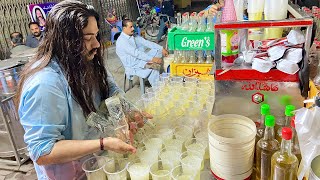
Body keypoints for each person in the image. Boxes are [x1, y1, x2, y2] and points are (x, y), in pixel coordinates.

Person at [16, 1, 148, 179]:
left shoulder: (85, 61)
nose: (96, 44)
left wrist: (129, 111)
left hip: (96, 165)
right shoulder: (45, 84)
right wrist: (103, 143)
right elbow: (42, 151)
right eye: (87, 38)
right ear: (64, 41)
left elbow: (111, 90)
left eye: (95, 36)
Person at [116, 19, 169, 87]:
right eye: (131, 27)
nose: (133, 29)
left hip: (139, 59)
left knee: (158, 52)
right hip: (133, 65)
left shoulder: (132, 35)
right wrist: (152, 59)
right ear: (124, 28)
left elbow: (146, 42)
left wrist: (161, 49)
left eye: (133, 26)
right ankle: (158, 90)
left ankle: (156, 79)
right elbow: (136, 53)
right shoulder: (122, 41)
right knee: (153, 69)